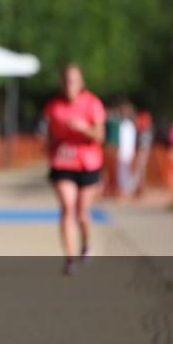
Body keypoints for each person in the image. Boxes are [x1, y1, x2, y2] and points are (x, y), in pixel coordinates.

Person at [43, 64, 106, 276]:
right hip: (63, 163)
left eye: (74, 80)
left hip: (89, 163)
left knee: (82, 213)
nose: (70, 84)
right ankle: (69, 258)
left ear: (81, 83)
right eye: (66, 80)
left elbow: (100, 136)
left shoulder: (92, 103)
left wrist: (83, 128)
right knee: (67, 207)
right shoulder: (54, 106)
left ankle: (86, 243)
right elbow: (49, 135)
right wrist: (51, 149)